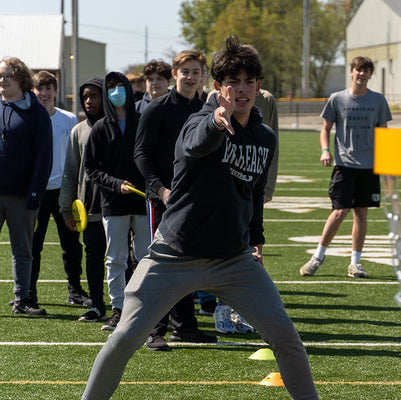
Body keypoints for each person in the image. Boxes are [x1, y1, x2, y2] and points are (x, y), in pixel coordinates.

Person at [81, 35, 319, 400]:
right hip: (174, 255)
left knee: (286, 337)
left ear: (258, 86)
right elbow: (195, 144)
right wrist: (217, 121)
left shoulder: (265, 138)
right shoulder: (197, 123)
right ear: (218, 87)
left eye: (249, 82)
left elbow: (253, 193)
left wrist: (256, 239)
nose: (241, 90)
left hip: (234, 260)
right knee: (126, 336)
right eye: (232, 82)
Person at [135, 50, 217, 351]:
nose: (190, 77)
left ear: (203, 75)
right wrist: (160, 190)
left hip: (197, 201)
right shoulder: (156, 109)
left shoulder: (209, 109)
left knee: (188, 264)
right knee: (160, 264)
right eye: (185, 71)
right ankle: (154, 329)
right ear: (175, 74)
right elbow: (141, 154)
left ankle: (185, 327)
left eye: (196, 71)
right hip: (164, 200)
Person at [300, 56, 392, 279]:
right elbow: (325, 128)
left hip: (369, 166)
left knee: (361, 212)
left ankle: (356, 263)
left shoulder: (378, 101)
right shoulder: (337, 98)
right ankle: (317, 257)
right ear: (351, 72)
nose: (361, 74)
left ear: (370, 75)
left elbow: (384, 133)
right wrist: (325, 150)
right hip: (345, 163)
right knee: (340, 211)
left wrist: (386, 159)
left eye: (366, 71)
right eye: (358, 70)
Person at [204, 87, 279, 334]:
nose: (242, 87)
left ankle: (237, 310)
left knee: (247, 257)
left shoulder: (266, 103)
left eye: (250, 80)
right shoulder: (212, 101)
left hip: (246, 194)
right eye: (236, 79)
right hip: (215, 200)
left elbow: (269, 146)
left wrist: (266, 185)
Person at [84, 71, 151, 331]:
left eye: (119, 86)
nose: (116, 92)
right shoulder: (100, 128)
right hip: (113, 204)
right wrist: (115, 184)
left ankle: (145, 307)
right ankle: (119, 308)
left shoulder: (143, 121)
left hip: (143, 201)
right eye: (110, 88)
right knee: (115, 258)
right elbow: (91, 167)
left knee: (146, 256)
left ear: (127, 88)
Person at [31, 70, 89, 308]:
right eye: (39, 89)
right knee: (33, 245)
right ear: (33, 92)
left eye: (48, 88)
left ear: (55, 91)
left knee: (72, 244)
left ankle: (75, 290)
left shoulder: (69, 119)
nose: (44, 93)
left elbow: (76, 155)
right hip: (36, 191)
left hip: (65, 192)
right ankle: (28, 292)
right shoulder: (28, 118)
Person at [0, 57, 52, 315]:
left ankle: (22, 300)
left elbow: (45, 156)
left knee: (23, 250)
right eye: (0, 75)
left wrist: (35, 191)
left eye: (7, 75)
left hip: (22, 195)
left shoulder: (37, 112)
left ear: (20, 78)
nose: (2, 80)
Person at [59, 77, 108, 322]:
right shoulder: (78, 130)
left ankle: (128, 308)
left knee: (124, 260)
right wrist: (66, 208)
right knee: (94, 256)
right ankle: (98, 305)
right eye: (85, 97)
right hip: (89, 208)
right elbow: (70, 171)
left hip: (119, 207)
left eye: (94, 96)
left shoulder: (117, 126)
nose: (89, 101)